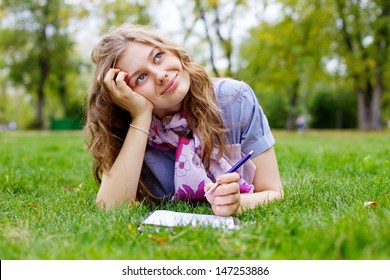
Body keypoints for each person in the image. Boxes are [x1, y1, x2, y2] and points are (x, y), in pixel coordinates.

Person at [85, 24, 283, 217]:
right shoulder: (131, 130)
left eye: (158, 56)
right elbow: (110, 209)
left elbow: (273, 192)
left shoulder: (234, 99)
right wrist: (141, 116)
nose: (160, 74)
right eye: (141, 77)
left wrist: (238, 203)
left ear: (174, 51)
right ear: (124, 94)